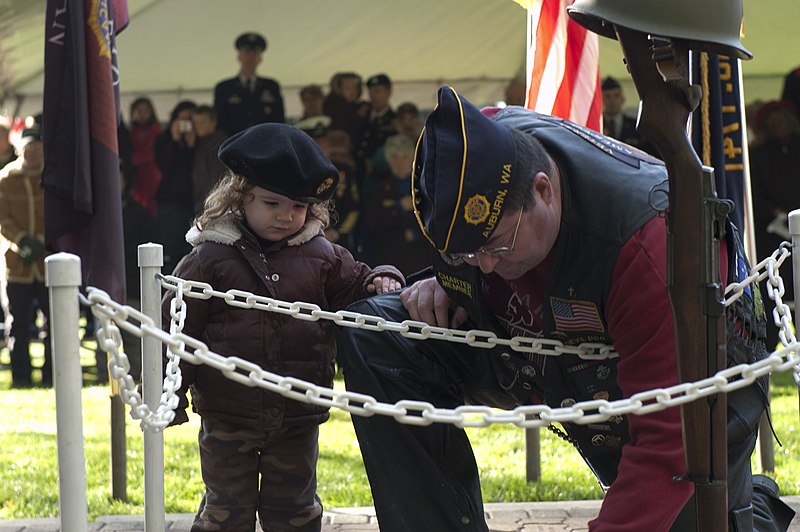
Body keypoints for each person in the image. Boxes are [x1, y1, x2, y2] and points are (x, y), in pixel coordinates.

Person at [335, 86, 796, 531]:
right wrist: (448, 279)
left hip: (689, 367)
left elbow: (666, 449)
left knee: (691, 514)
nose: (488, 267)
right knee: (378, 335)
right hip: (533, 347)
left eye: (497, 244)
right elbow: (473, 241)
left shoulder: (654, 248)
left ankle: (750, 510)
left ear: (543, 191)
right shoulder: (465, 151)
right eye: (466, 254)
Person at [163, 123, 404, 532]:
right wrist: (169, 392)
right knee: (226, 510)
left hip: (296, 413)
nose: (286, 216)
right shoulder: (209, 259)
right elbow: (177, 332)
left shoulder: (323, 256)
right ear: (241, 199)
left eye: (298, 207)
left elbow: (359, 286)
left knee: (294, 510)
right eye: (272, 204)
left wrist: (382, 278)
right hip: (228, 414)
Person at [0, 126, 52, 388]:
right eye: (28, 147)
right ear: (20, 149)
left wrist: (43, 240)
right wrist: (21, 240)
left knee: (52, 324)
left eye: (38, 147)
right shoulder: (6, 178)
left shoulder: (53, 179)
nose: (33, 153)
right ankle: (21, 376)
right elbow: (2, 217)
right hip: (16, 264)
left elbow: (59, 216)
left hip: (47, 263)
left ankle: (51, 376)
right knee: (18, 324)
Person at [748, 99, 800, 352]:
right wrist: (773, 211)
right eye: (773, 122)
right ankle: (768, 344)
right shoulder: (757, 155)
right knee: (772, 288)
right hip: (771, 234)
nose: (778, 126)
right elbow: (754, 193)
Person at [154, 100, 198, 276]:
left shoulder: (199, 140)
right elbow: (162, 166)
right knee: (169, 245)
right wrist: (174, 140)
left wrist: (192, 144)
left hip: (192, 200)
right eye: (182, 120)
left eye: (190, 120)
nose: (185, 124)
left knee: (190, 246)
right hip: (169, 200)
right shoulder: (163, 139)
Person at [213, 32, 285, 136]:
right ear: (239, 57)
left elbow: (279, 121)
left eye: (255, 53)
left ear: (260, 59)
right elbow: (220, 124)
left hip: (265, 145)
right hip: (234, 145)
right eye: (247, 52)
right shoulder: (224, 88)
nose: (250, 57)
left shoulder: (271, 86)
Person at [601, 76, 655, 154]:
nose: (612, 101)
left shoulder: (637, 126)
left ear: (622, 99)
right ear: (601, 100)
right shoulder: (596, 125)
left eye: (616, 95)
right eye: (607, 96)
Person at [189, 105, 228, 213]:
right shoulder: (199, 145)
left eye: (203, 122)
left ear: (213, 122)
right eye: (196, 122)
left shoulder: (218, 145)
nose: (199, 126)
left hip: (215, 204)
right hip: (205, 204)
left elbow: (215, 177)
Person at [129, 96, 163, 217]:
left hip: (152, 176)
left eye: (146, 110)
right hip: (136, 177)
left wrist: (132, 159)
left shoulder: (156, 131)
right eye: (139, 110)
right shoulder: (131, 132)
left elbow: (152, 154)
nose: (142, 114)